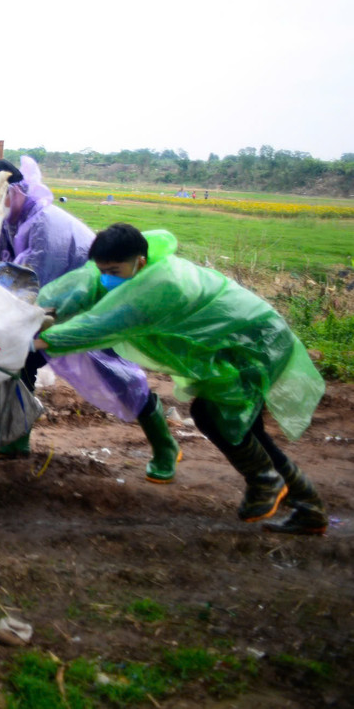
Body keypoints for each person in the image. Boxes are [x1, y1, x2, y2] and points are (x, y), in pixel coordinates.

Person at [35, 223, 327, 535]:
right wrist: (41, 311)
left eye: (113, 270)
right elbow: (87, 286)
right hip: (233, 340)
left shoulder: (160, 287)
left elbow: (99, 326)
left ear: (139, 262)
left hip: (255, 343)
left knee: (215, 416)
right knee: (244, 428)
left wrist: (35, 340)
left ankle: (266, 481)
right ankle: (308, 506)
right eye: (102, 268)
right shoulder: (130, 269)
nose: (106, 276)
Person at [0, 159, 178, 482]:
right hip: (52, 307)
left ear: (14, 191)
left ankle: (165, 445)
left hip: (91, 305)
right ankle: (15, 438)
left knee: (114, 375)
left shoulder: (45, 223)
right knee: (21, 360)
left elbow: (38, 282)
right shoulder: (10, 220)